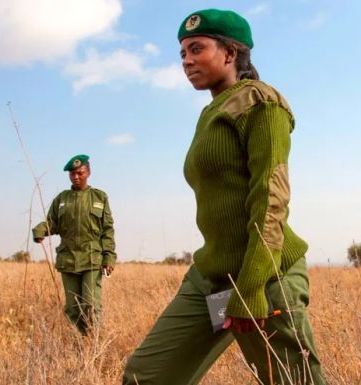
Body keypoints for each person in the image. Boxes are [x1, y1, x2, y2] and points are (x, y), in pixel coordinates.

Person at [122, 9, 326, 385]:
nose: (186, 61)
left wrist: (251, 285)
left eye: (196, 49)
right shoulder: (211, 113)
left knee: (292, 382)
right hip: (211, 278)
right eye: (182, 53)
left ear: (231, 53)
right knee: (146, 375)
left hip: (262, 278)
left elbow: (271, 196)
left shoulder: (260, 103)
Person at [32, 154, 116, 335]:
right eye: (72, 174)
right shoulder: (62, 200)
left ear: (88, 172)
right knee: (73, 309)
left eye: (80, 173)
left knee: (91, 306)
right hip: (68, 260)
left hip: (92, 259)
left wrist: (109, 257)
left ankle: (94, 346)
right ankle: (77, 346)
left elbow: (107, 230)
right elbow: (51, 223)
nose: (76, 177)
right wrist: (40, 230)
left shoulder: (99, 197)